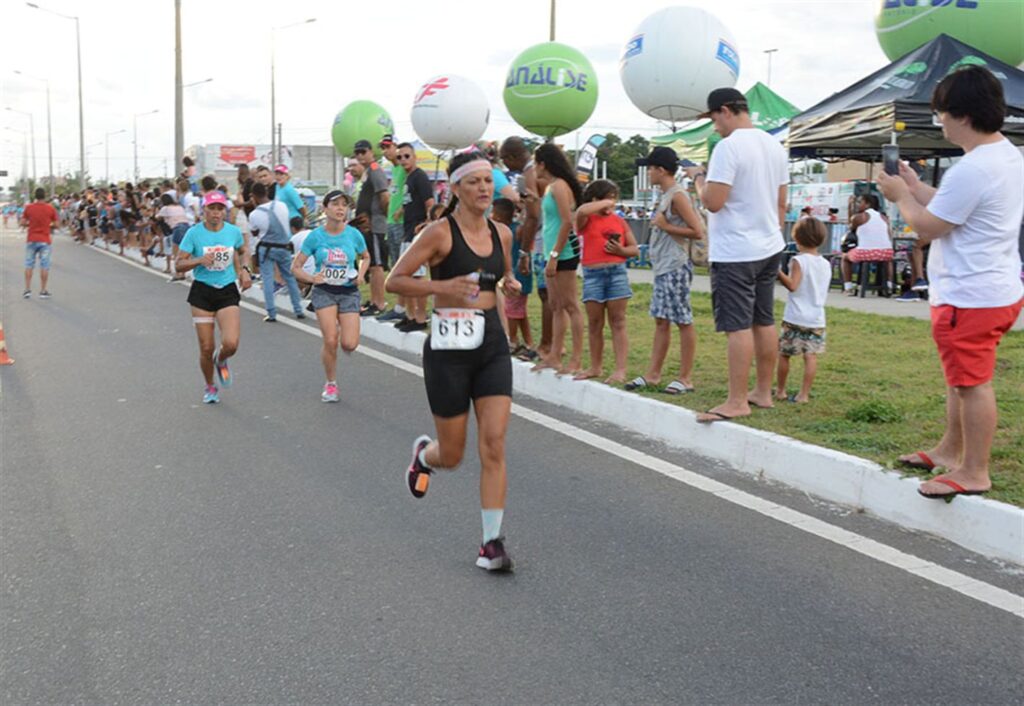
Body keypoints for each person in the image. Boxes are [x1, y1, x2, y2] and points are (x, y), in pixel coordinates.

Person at [877, 65, 1023, 499]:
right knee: (960, 378)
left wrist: (901, 197)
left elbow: (930, 226)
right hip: (992, 286)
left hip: (970, 295)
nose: (938, 120)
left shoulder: (974, 168)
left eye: (941, 112)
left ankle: (974, 470)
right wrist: (915, 184)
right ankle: (949, 449)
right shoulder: (1005, 156)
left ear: (962, 114)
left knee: (972, 383)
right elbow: (954, 208)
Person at [385, 152, 522, 572]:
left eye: (489, 181)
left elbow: (496, 280)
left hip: (491, 343)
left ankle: (491, 543)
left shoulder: (502, 233)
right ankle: (425, 456)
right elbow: (395, 280)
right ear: (456, 188)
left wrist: (508, 284)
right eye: (475, 182)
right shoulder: (438, 234)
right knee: (454, 454)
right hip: (448, 348)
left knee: (494, 443)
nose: (484, 188)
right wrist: (442, 285)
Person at [688, 88, 789, 423]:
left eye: (714, 118)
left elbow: (713, 202)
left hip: (736, 250)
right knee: (764, 319)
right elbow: (781, 203)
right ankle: (762, 391)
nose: (714, 127)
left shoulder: (728, 148)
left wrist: (699, 180)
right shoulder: (774, 145)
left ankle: (736, 400)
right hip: (770, 244)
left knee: (737, 325)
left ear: (726, 110)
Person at [627, 147, 705, 394]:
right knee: (661, 320)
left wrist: (665, 226)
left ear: (661, 170)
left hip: (676, 265)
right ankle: (653, 374)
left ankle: (685, 378)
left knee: (682, 319)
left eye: (650, 168)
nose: (648, 173)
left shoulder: (678, 196)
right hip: (663, 266)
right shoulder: (666, 194)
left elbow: (697, 231)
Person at [175, 191, 252, 404]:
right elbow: (179, 264)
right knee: (206, 347)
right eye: (212, 209)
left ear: (224, 211)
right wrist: (199, 260)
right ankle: (210, 386)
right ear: (204, 211)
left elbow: (244, 250)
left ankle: (222, 359)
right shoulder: (194, 233)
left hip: (227, 289)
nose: (216, 213)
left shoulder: (233, 232)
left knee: (231, 343)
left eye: (220, 209)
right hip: (202, 292)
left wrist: (245, 270)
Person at [292, 191, 369, 402]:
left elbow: (366, 256)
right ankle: (331, 383)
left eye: (344, 205)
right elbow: (296, 267)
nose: (340, 208)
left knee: (349, 344)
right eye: (335, 204)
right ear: (325, 209)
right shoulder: (315, 236)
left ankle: (344, 326)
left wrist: (361, 274)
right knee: (331, 339)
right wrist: (311, 278)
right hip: (325, 291)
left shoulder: (353, 234)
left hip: (348, 292)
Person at [573, 179, 638, 383]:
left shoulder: (619, 221)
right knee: (594, 323)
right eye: (608, 198)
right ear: (596, 199)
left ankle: (620, 369)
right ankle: (595, 366)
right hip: (593, 275)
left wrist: (620, 251)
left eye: (614, 199)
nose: (612, 203)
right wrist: (603, 204)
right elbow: (581, 212)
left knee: (618, 321)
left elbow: (634, 249)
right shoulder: (586, 219)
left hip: (616, 272)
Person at [533, 143, 584, 375]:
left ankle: (576, 359)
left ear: (543, 163)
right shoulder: (550, 186)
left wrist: (554, 255)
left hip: (563, 253)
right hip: (550, 252)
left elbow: (566, 221)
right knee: (555, 305)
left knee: (571, 305)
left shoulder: (560, 186)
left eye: (536, 163)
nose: (534, 168)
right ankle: (554, 355)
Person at [500, 136, 547, 360]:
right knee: (547, 295)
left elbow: (534, 215)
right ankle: (545, 345)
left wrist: (523, 252)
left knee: (549, 296)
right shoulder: (532, 172)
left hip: (543, 239)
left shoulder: (530, 172)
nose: (505, 165)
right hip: (543, 237)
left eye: (505, 160)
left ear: (512, 157)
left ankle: (548, 346)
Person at [775, 217, 831, 403]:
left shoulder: (798, 261)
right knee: (810, 356)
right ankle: (804, 394)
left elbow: (793, 285)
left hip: (795, 316)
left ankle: (780, 391)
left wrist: (778, 272)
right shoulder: (825, 263)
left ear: (797, 238)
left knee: (785, 354)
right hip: (816, 318)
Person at [393, 142, 436, 332]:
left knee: (418, 277)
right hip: (407, 230)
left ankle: (420, 316)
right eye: (400, 157)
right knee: (406, 275)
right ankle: (410, 315)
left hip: (417, 232)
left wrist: (427, 223)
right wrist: (400, 211)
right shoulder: (408, 178)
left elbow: (430, 203)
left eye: (406, 156)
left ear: (414, 157)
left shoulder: (420, 177)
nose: (403, 160)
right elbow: (411, 201)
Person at [249, 181, 305, 322]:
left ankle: (271, 312)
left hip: (266, 248)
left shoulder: (254, 214)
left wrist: (256, 207)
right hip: (284, 247)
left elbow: (255, 232)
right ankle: (298, 309)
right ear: (266, 192)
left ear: (254, 196)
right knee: (290, 277)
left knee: (267, 278)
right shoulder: (282, 206)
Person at [353, 139, 390, 316]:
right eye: (357, 153)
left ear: (371, 152)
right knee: (373, 264)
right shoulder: (367, 172)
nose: (360, 156)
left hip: (375, 225)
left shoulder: (375, 171)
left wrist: (379, 216)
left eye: (363, 152)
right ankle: (374, 300)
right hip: (366, 225)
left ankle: (379, 303)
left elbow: (384, 196)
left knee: (377, 265)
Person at [494, 198, 534, 355]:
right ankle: (529, 342)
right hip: (518, 276)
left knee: (511, 311)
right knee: (520, 312)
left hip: (518, 277)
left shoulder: (513, 231)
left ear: (497, 216)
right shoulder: (510, 229)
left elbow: (530, 219)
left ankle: (512, 340)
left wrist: (524, 208)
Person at [378, 135, 407, 315]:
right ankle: (399, 306)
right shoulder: (394, 170)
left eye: (388, 146)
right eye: (383, 147)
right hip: (391, 221)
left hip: (401, 222)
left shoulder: (404, 169)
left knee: (402, 267)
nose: (385, 151)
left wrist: (401, 210)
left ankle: (402, 307)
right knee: (395, 265)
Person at [842, 194, 893, 296]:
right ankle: (889, 285)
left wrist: (850, 207)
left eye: (860, 202)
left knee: (844, 258)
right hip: (886, 253)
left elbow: (851, 227)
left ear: (867, 204)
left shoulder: (860, 217)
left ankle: (848, 287)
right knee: (888, 260)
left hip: (864, 253)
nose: (858, 205)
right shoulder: (884, 217)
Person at [21, 187, 58, 299]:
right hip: (45, 240)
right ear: (45, 196)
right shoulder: (50, 208)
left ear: (35, 196)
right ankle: (43, 291)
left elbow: (22, 222)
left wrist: (30, 225)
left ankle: (27, 290)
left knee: (29, 265)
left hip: (31, 239)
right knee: (44, 266)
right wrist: (48, 225)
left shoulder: (29, 208)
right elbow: (56, 224)